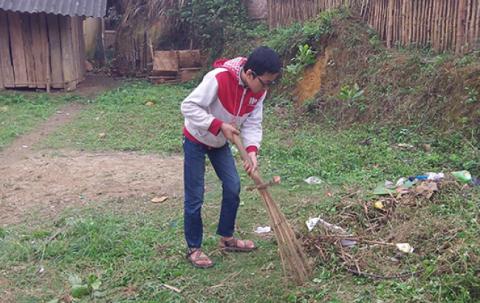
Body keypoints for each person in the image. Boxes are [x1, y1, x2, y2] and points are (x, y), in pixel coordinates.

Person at [180, 46, 281, 268]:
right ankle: (194, 248)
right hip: (196, 139)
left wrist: (252, 151)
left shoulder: (258, 92)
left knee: (233, 186)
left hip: (220, 143)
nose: (266, 88)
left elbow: (253, 122)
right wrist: (218, 125)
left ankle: (227, 238)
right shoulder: (218, 78)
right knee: (195, 195)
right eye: (265, 82)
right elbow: (188, 106)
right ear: (250, 74)